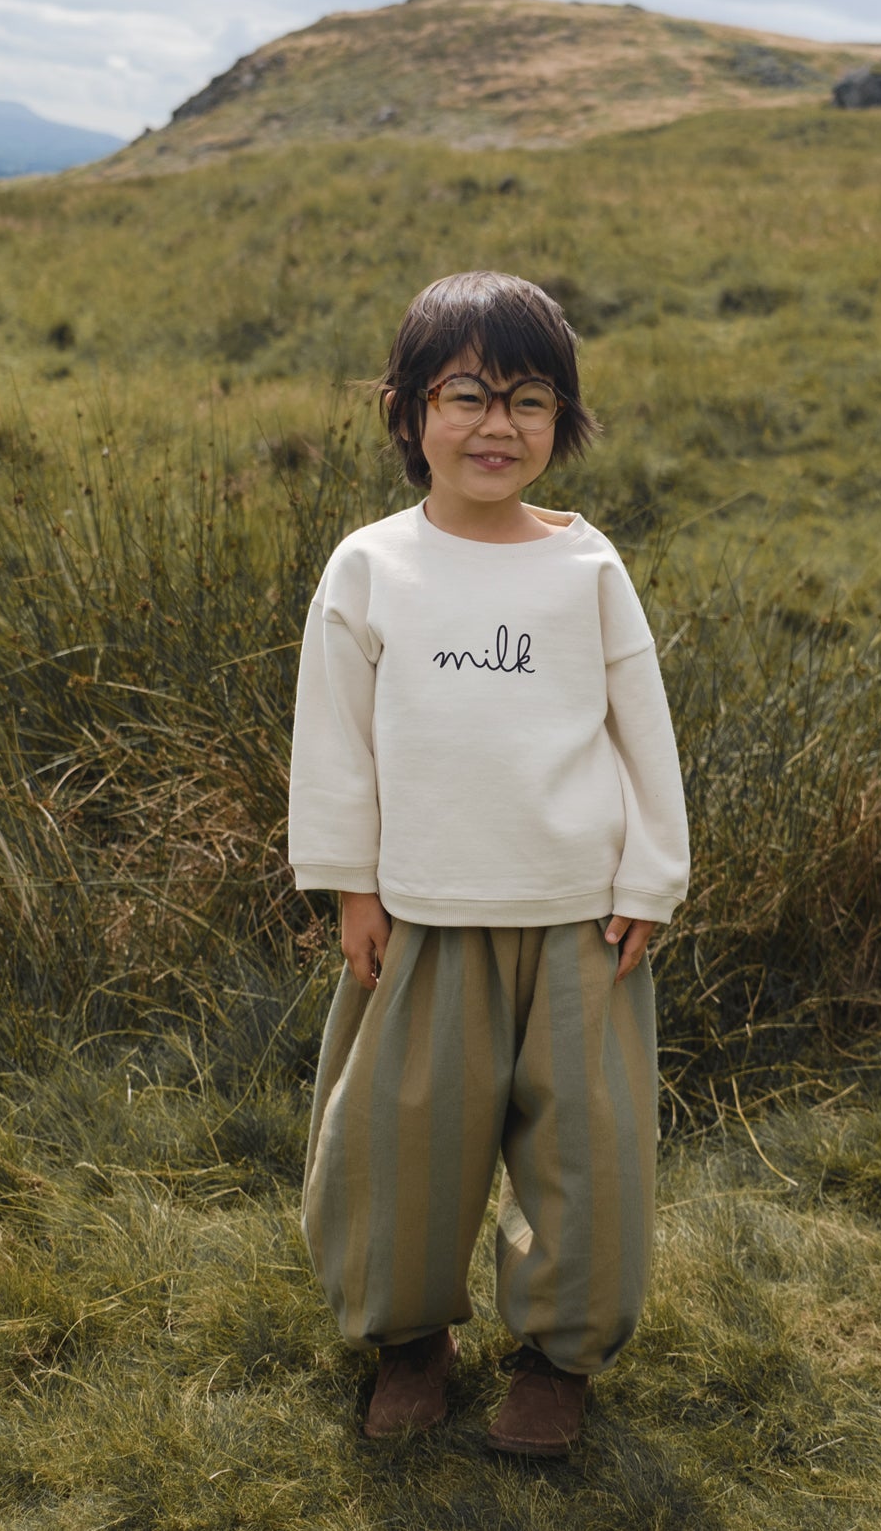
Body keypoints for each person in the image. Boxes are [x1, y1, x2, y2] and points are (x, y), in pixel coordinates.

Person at [289, 270, 689, 1456]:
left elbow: (640, 735)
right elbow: (336, 745)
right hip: (420, 912)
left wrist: (647, 881)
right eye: (467, 395)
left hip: (580, 919)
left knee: (588, 1152)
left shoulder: (587, 571)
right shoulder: (369, 568)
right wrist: (353, 888)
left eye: (528, 399)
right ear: (409, 411)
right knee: (400, 1143)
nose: (496, 426)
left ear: (561, 422)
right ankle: (409, 1343)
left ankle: (558, 1363)